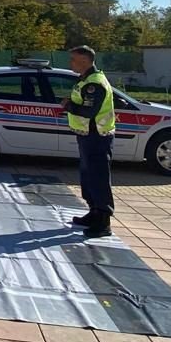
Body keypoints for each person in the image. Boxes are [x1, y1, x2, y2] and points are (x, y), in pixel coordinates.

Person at [60, 45, 117, 239]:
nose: (71, 63)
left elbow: (89, 111)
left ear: (84, 61)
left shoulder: (95, 83)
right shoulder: (85, 79)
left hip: (97, 136)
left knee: (99, 177)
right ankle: (94, 212)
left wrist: (68, 105)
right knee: (88, 176)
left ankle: (103, 221)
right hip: (86, 135)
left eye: (73, 60)